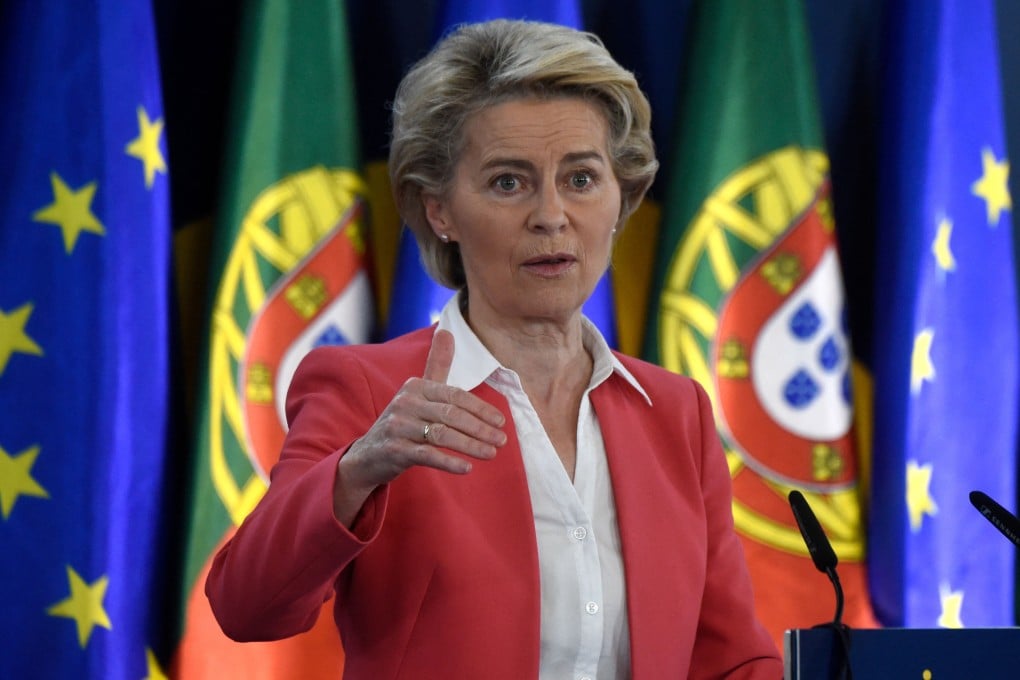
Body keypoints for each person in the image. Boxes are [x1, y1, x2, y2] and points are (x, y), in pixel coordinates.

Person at [206, 18, 783, 680]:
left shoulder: (675, 412)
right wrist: (357, 470)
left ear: (622, 200)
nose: (550, 214)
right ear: (439, 211)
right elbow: (245, 607)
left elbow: (730, 657)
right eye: (509, 182)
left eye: (582, 178)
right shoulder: (369, 391)